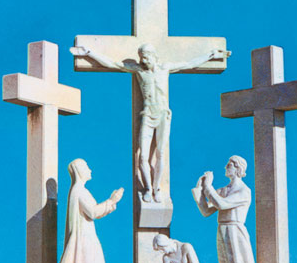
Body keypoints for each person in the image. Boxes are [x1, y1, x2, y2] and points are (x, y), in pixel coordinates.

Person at [71, 43, 228, 203]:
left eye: (146, 57)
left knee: (160, 152)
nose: (144, 61)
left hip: (162, 114)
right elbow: (112, 63)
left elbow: (189, 64)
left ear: (154, 56)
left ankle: (156, 187)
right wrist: (89, 53)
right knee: (142, 156)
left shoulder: (165, 68)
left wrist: (210, 55)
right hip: (147, 114)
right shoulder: (138, 70)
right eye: (141, 58)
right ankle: (147, 188)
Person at [193, 155, 266, 263]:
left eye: (230, 164)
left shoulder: (244, 191)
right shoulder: (223, 190)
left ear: (238, 169)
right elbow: (206, 211)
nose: (226, 167)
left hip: (236, 230)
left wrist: (209, 188)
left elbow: (222, 204)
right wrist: (200, 190)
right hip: (223, 231)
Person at [57, 158, 123, 263]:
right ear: (80, 170)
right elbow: (93, 212)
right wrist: (112, 200)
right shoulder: (79, 191)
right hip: (83, 240)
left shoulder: (79, 191)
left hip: (87, 236)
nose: (90, 170)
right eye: (87, 167)